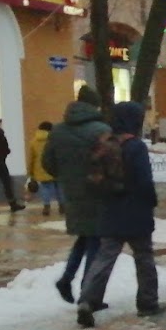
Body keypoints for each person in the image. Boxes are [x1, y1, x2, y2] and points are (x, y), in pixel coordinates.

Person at [76, 101, 166, 326]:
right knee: (144, 258)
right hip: (136, 211)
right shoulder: (136, 147)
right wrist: (151, 202)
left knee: (104, 258)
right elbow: (144, 181)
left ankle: (87, 300)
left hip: (110, 210)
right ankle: (148, 303)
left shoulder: (104, 144)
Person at [44, 85, 110, 303]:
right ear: (94, 106)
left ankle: (67, 278)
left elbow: (47, 163)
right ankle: (88, 294)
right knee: (95, 241)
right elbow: (110, 162)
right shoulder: (101, 130)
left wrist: (67, 177)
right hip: (97, 192)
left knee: (85, 236)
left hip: (71, 193)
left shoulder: (58, 130)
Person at [26, 120, 63, 215]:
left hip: (41, 169)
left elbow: (31, 159)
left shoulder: (34, 142)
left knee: (45, 188)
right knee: (59, 187)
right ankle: (62, 206)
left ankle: (46, 207)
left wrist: (30, 172)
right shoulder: (55, 140)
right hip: (56, 167)